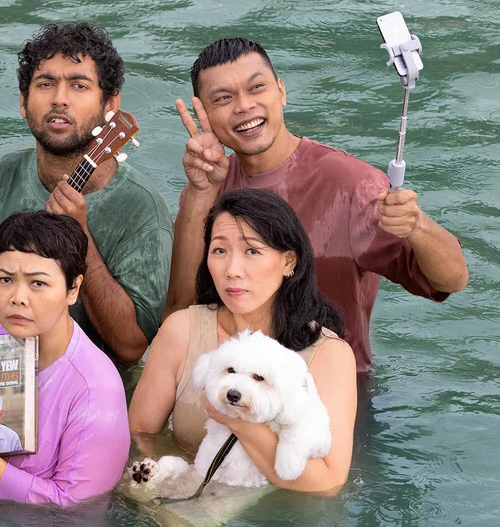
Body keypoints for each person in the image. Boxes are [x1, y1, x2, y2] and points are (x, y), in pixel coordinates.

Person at [164, 37, 469, 372]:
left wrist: (417, 225)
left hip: (333, 394)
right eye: (223, 98)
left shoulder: (351, 183)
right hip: (232, 388)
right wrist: (199, 192)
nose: (243, 106)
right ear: (203, 112)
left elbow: (451, 280)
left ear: (281, 91)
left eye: (257, 88)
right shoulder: (207, 186)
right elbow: (181, 313)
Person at [0, 21, 173, 367]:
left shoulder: (140, 207)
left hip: (83, 388)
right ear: (23, 102)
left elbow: (131, 347)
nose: (59, 99)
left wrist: (80, 234)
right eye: (45, 84)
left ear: (110, 105)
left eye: (79, 85)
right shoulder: (5, 173)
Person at [129, 189, 357, 495]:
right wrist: (171, 487)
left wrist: (235, 419)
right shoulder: (181, 330)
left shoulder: (329, 354)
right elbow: (139, 435)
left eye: (252, 251)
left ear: (289, 261)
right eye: (220, 250)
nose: (232, 271)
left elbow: (328, 482)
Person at [0, 211, 131, 506]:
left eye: (37, 283)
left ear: (74, 288)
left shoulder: (95, 388)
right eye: (4, 279)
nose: (17, 297)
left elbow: (76, 510)